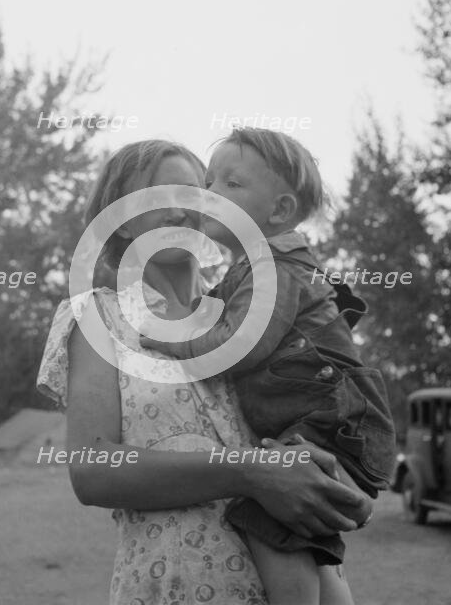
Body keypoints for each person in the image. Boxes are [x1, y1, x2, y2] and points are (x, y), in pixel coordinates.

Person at [37, 139, 371, 605]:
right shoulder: (97, 317)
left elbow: (313, 417)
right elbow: (93, 470)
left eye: (194, 191)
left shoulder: (253, 315)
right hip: (168, 587)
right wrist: (249, 473)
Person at [140, 129, 396, 604]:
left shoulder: (275, 271)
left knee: (267, 522)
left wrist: (171, 337)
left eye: (231, 185)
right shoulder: (253, 270)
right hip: (323, 423)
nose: (210, 193)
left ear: (278, 211)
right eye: (210, 181)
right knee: (301, 538)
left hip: (335, 422)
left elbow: (235, 348)